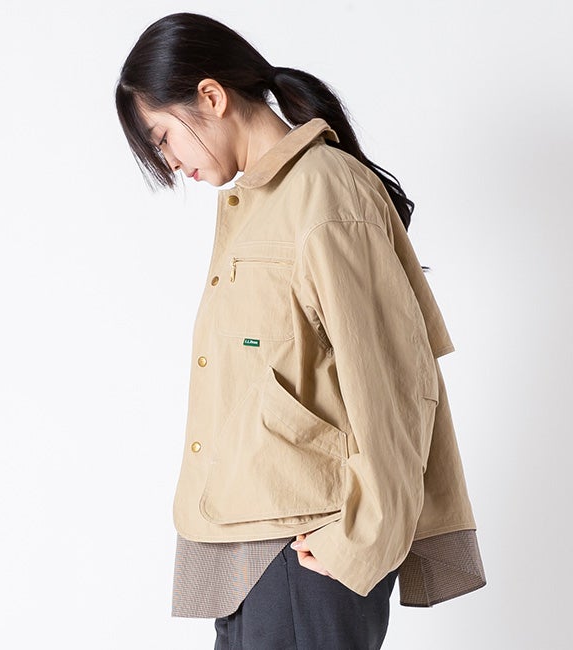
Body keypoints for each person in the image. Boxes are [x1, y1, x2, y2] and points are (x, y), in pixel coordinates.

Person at [115, 12, 486, 650]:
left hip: (308, 550)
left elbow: (395, 380)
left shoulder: (326, 192)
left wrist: (362, 535)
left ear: (211, 97)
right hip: (253, 555)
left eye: (164, 137)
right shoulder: (260, 205)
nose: (169, 162)